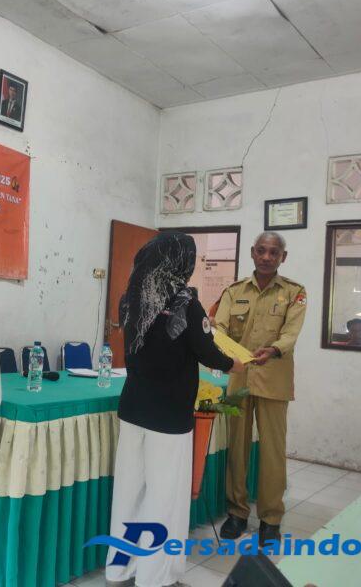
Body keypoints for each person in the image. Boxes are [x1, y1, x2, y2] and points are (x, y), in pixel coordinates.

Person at [107, 232, 243, 587]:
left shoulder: (130, 297)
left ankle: (119, 570)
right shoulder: (185, 302)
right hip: (168, 416)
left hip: (133, 410)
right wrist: (234, 364)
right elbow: (207, 351)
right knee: (164, 499)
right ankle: (155, 579)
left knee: (129, 492)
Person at [214, 232, 306, 545]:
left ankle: (271, 519)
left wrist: (275, 349)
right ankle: (237, 513)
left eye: (274, 252)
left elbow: (291, 332)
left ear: (283, 257)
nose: (267, 257)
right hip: (239, 379)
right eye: (262, 251)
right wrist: (223, 350)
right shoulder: (234, 291)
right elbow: (220, 327)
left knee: (272, 452)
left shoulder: (294, 292)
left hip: (274, 379)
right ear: (253, 253)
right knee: (237, 449)